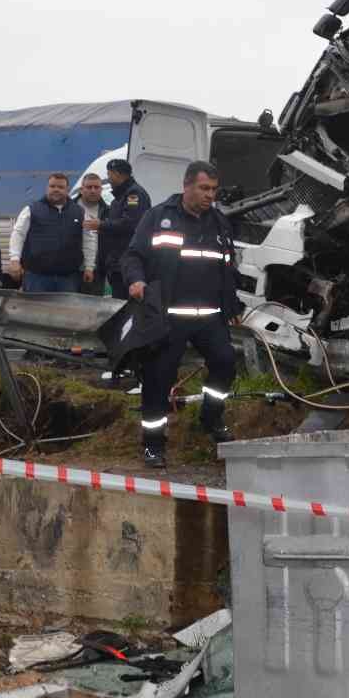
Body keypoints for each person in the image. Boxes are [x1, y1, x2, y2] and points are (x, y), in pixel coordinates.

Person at [120, 160, 241, 468]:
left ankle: (210, 418)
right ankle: (153, 445)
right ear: (186, 186)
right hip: (169, 316)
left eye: (213, 189)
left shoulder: (220, 224)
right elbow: (133, 255)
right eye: (203, 188)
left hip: (209, 317)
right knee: (158, 380)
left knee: (226, 364)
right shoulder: (158, 217)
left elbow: (228, 270)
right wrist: (136, 280)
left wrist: (232, 306)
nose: (209, 195)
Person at [7, 173, 97, 293]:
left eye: (60, 187)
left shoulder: (79, 212)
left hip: (68, 279)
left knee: (66, 311)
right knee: (35, 311)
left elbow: (89, 240)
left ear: (67, 190)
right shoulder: (31, 210)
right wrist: (14, 260)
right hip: (36, 278)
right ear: (47, 188)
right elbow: (18, 235)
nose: (56, 190)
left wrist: (89, 267)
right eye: (52, 186)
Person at [89, 159, 151, 296]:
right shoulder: (121, 195)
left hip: (126, 262)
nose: (109, 178)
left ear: (117, 174)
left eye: (109, 174)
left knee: (124, 307)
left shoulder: (133, 194)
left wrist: (101, 224)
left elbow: (130, 223)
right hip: (117, 262)